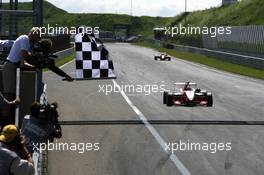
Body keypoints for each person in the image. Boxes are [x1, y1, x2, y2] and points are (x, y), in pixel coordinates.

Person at [2, 27, 41, 123]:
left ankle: (9, 119)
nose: (37, 38)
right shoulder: (25, 39)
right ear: (31, 34)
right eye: (36, 36)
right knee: (9, 95)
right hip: (11, 66)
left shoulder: (27, 42)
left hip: (14, 67)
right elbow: (23, 60)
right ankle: (4, 122)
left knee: (14, 95)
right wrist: (34, 66)